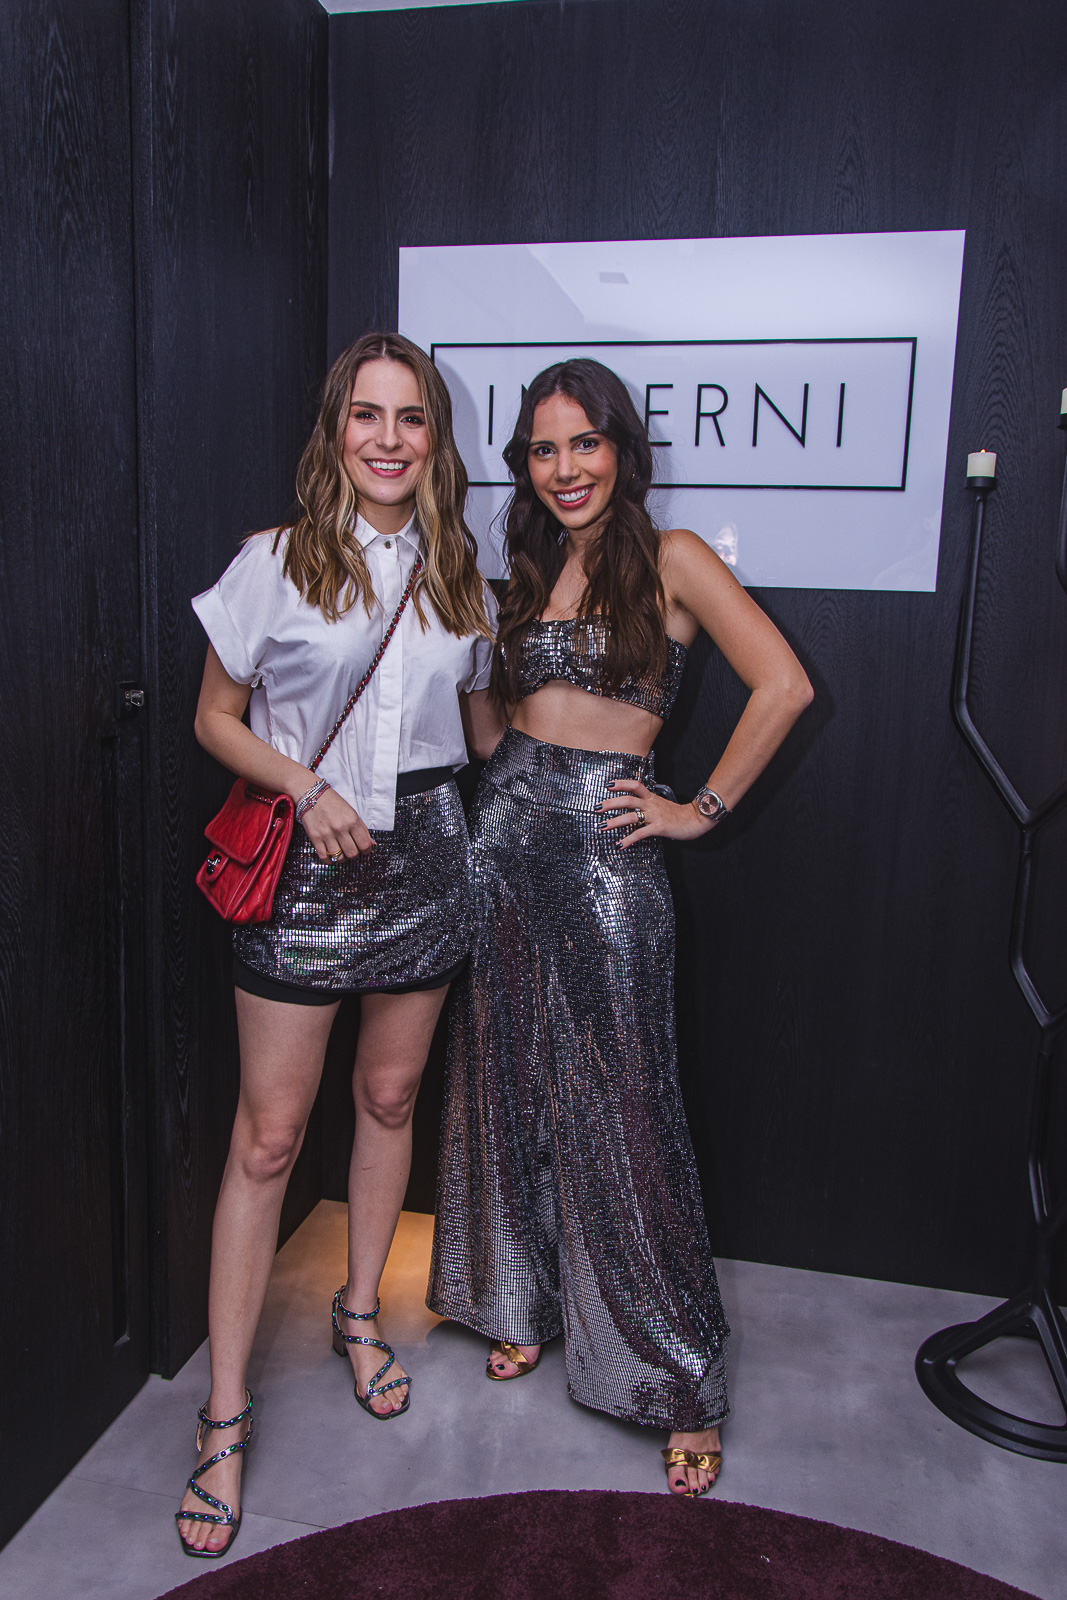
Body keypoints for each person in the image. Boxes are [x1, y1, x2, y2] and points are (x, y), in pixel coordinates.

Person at [428, 357, 812, 1498]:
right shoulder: (526, 563)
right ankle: (516, 1297)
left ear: (620, 450)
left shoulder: (675, 556)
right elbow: (492, 729)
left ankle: (675, 1372)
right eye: (543, 449)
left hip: (606, 848)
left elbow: (784, 685)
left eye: (582, 444)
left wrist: (699, 809)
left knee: (623, 1098)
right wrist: (478, 689)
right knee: (503, 1077)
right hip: (502, 835)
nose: (564, 468)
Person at [176, 332, 499, 1557]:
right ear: (336, 430)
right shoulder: (274, 560)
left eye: (410, 418)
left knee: (389, 1095)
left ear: (434, 440)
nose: (387, 438)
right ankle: (222, 1415)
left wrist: (595, 719)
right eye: (366, 415)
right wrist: (301, 785)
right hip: (304, 866)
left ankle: (359, 1313)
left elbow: (483, 738)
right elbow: (215, 717)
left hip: (426, 858)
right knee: (267, 1139)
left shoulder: (460, 573)